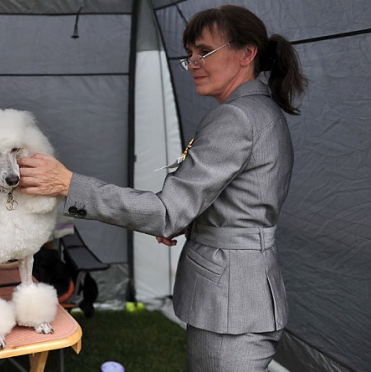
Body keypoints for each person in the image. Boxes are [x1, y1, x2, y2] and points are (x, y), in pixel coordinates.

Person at [18, 5, 307, 371]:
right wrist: (189, 222)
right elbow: (243, 200)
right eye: (190, 54)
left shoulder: (236, 117)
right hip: (239, 293)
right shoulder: (258, 111)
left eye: (205, 51)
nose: (193, 63)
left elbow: (166, 212)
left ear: (246, 53)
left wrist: (68, 184)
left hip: (230, 302)